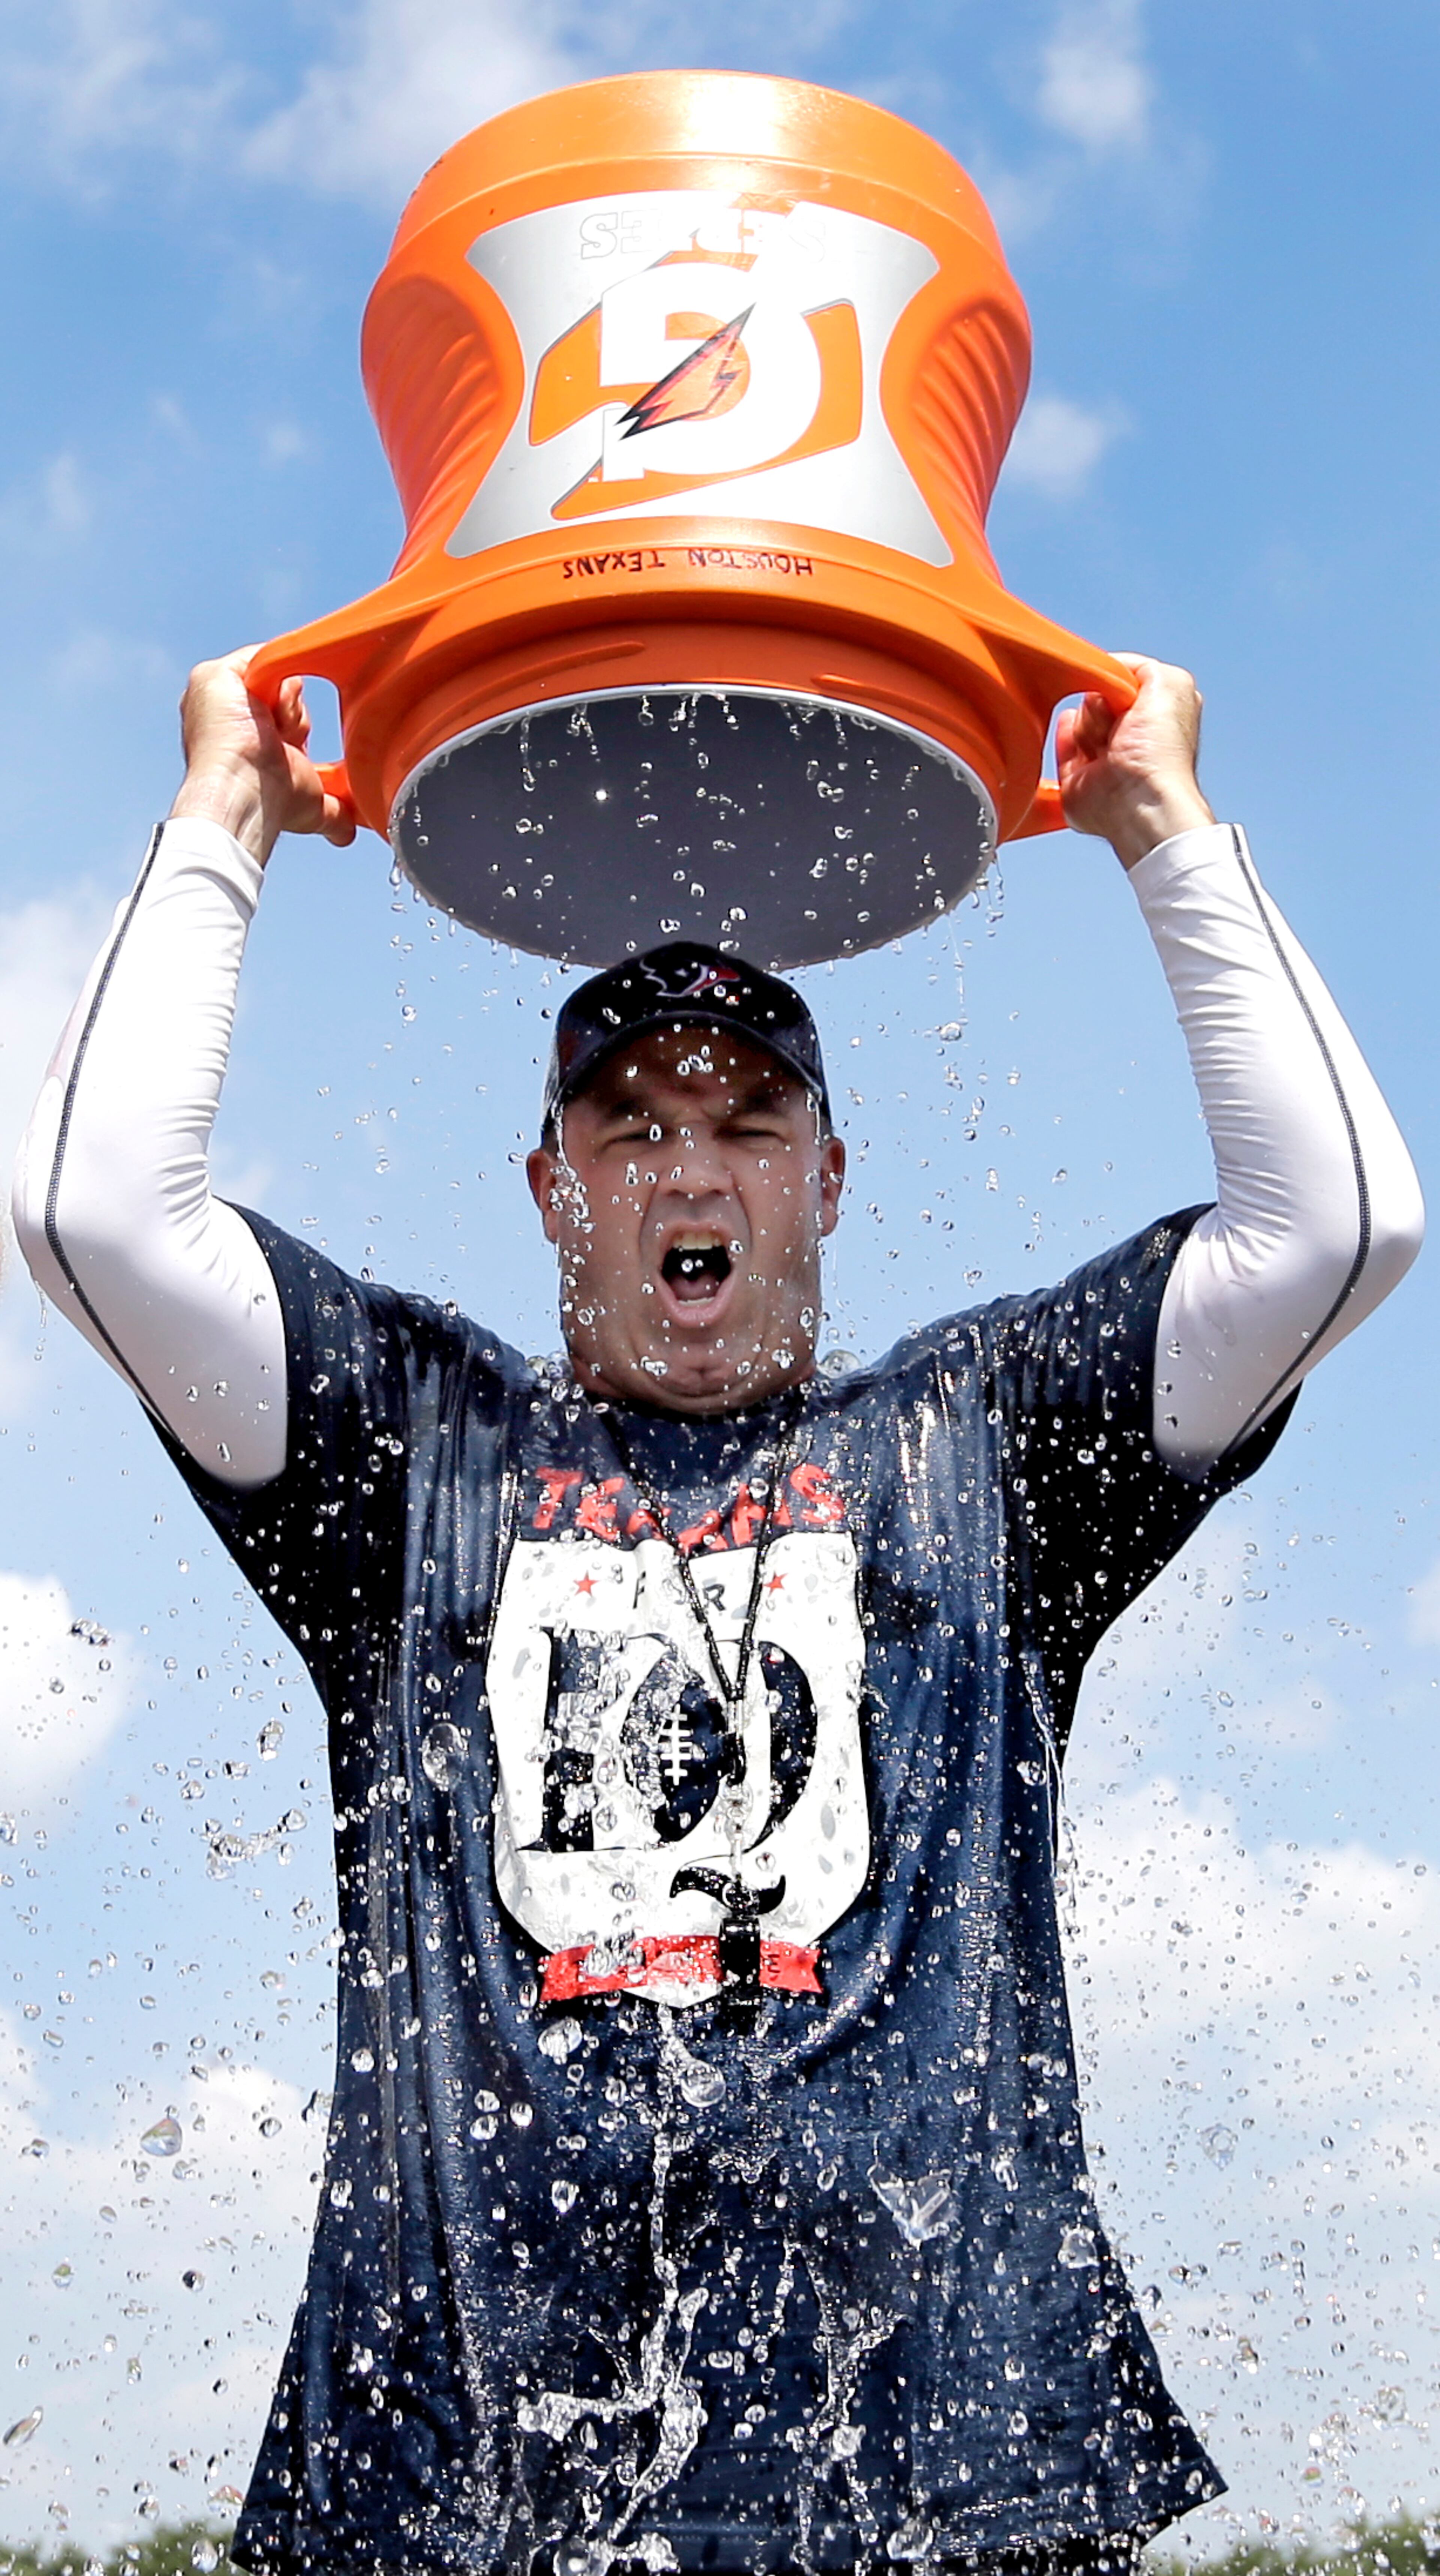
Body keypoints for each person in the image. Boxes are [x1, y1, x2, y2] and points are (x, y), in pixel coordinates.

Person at [13, 649, 1422, 2576]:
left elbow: (1336, 1229)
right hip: (473, 2495)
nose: (691, 1163)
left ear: (828, 1180)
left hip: (945, 2475)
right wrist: (225, 820)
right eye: (630, 1123)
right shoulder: (422, 1449)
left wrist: (1161, 820)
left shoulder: (977, 1443)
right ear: (551, 1186)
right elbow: (95, 1214)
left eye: (751, 1120)